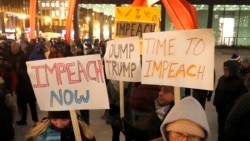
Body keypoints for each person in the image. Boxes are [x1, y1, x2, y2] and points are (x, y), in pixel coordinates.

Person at [213, 60, 248, 141]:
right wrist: (216, 103)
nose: (224, 71)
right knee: (221, 130)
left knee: (230, 132)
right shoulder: (221, 79)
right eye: (224, 69)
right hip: (221, 110)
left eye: (226, 69)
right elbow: (217, 91)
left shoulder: (240, 81)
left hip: (232, 112)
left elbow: (242, 97)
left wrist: (233, 106)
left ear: (232, 70)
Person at [26, 111, 96, 141]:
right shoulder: (39, 131)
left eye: (64, 119)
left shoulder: (83, 133)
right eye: (54, 119)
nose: (59, 124)